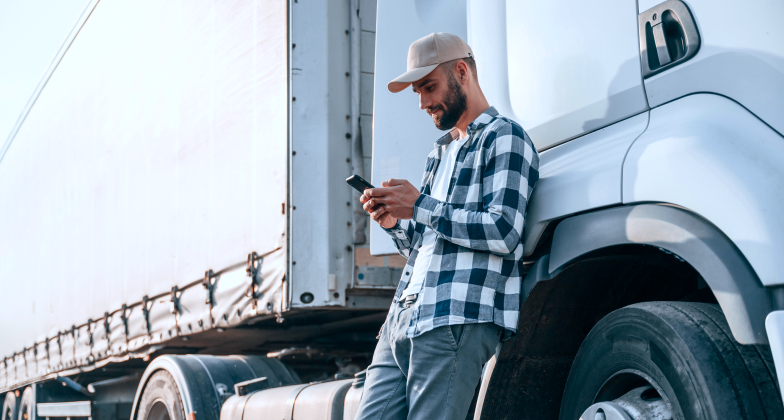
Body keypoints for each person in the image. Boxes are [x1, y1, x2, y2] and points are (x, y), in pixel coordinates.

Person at [354, 32, 540, 420]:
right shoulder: (438, 152)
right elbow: (429, 246)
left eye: (429, 87)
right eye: (417, 92)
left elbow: (503, 231)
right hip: (403, 317)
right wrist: (394, 223)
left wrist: (420, 204)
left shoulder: (505, 137)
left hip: (456, 317)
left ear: (461, 72)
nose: (422, 103)